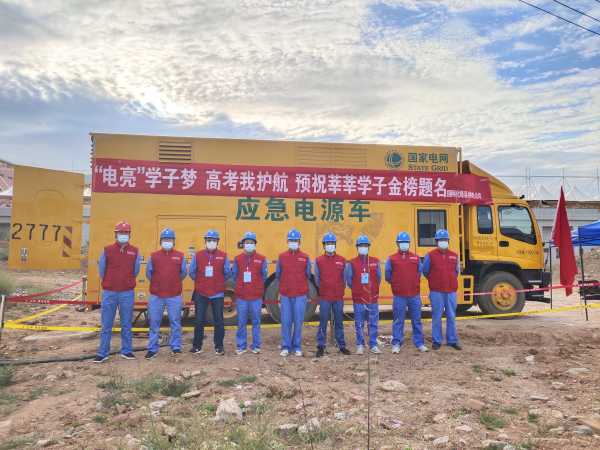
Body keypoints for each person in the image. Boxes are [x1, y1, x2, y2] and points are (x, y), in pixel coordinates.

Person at [93, 221, 142, 363]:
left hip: (127, 293)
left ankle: (127, 351)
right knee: (106, 324)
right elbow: (102, 271)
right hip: (110, 292)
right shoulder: (107, 250)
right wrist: (111, 282)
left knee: (126, 323)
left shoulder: (135, 251)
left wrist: (125, 281)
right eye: (121, 232)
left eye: (126, 232)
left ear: (130, 234)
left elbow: (136, 271)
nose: (123, 235)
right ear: (115, 234)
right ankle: (103, 353)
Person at [145, 228, 187, 359]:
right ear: (160, 241)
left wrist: (173, 282)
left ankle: (176, 347)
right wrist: (159, 283)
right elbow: (149, 273)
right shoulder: (153, 256)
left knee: (175, 322)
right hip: (156, 296)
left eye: (169, 239)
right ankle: (152, 349)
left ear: (173, 241)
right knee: (154, 322)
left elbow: (183, 273)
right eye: (165, 239)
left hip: (174, 295)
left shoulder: (180, 256)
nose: (167, 241)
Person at [385, 232, 428, 354]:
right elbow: (388, 275)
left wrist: (412, 282)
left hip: (414, 295)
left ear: (409, 243)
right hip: (399, 296)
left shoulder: (416, 258)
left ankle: (419, 343)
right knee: (398, 320)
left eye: (406, 242)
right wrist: (397, 284)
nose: (404, 244)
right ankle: (396, 343)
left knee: (417, 320)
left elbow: (419, 272)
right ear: (397, 244)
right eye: (402, 242)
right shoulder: (391, 259)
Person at [189, 230, 231, 355]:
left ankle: (219, 346)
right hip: (201, 293)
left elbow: (227, 273)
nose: (211, 242)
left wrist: (218, 281)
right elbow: (192, 272)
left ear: (217, 242)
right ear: (205, 242)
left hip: (217, 293)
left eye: (213, 240)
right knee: (199, 321)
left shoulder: (223, 256)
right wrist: (201, 282)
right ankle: (197, 346)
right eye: (209, 240)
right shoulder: (198, 255)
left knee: (219, 321)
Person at [423, 229, 462, 351]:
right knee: (437, 317)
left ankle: (452, 340)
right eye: (440, 240)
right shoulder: (430, 255)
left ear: (448, 241)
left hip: (451, 292)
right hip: (436, 292)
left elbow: (456, 272)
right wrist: (436, 280)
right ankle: (437, 341)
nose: (443, 242)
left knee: (451, 316)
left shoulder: (454, 255)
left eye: (445, 240)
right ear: (436, 242)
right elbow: (425, 271)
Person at [276, 228, 311, 357]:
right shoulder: (282, 257)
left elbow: (308, 274)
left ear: (299, 242)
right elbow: (278, 274)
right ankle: (286, 346)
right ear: (287, 241)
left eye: (295, 240)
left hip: (300, 295)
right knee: (286, 321)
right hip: (286, 295)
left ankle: (297, 346)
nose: (293, 242)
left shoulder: (305, 257)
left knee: (298, 321)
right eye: (291, 240)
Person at [232, 231, 268, 355]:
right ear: (243, 244)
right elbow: (234, 275)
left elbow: (264, 276)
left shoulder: (261, 259)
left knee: (256, 322)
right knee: (241, 322)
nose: (249, 244)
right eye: (247, 242)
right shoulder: (238, 259)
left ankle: (256, 346)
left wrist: (257, 287)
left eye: (251, 242)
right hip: (242, 297)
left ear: (255, 244)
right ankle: (241, 346)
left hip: (256, 297)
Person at [314, 232, 350, 357]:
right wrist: (324, 289)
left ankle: (341, 345)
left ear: (335, 245)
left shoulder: (342, 260)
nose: (330, 245)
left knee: (339, 321)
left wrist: (339, 289)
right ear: (324, 245)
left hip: (338, 297)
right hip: (325, 297)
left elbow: (344, 278)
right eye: (328, 243)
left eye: (332, 243)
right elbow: (317, 279)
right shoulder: (319, 261)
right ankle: (321, 346)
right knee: (323, 321)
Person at [345, 235, 382, 354]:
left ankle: (373, 344)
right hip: (359, 299)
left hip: (372, 299)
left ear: (368, 247)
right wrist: (358, 289)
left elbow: (379, 278)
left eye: (365, 245)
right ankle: (360, 345)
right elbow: (349, 280)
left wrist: (372, 289)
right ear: (357, 247)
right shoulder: (352, 263)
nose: (363, 247)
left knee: (373, 323)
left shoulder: (375, 262)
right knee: (359, 323)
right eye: (361, 245)